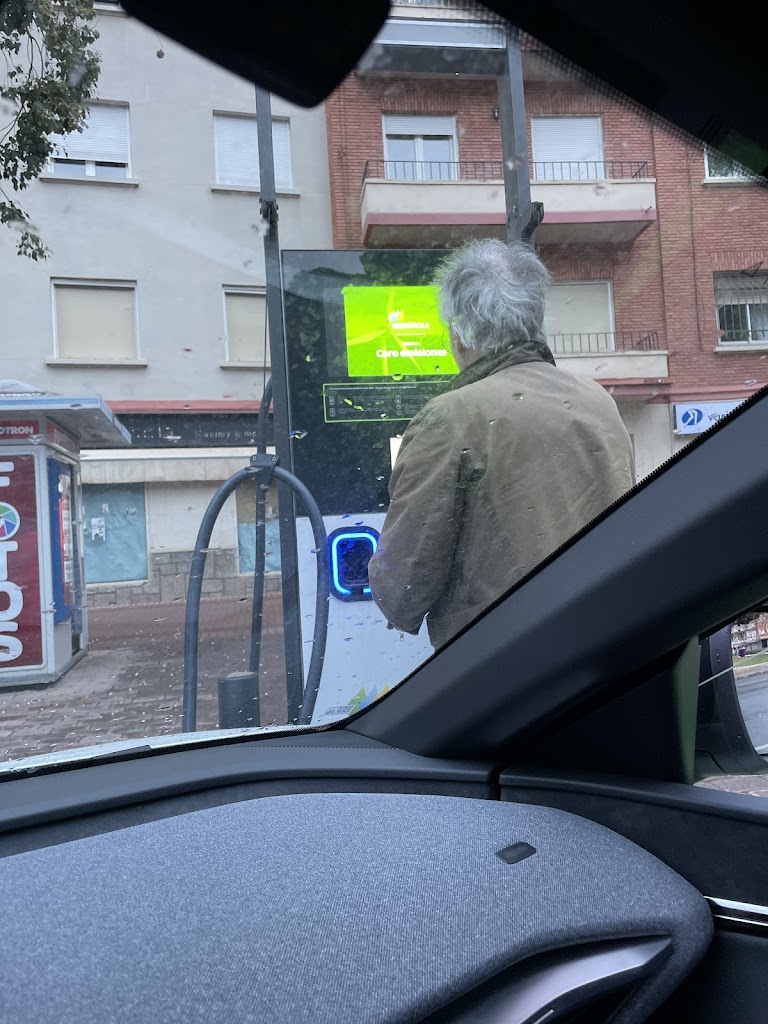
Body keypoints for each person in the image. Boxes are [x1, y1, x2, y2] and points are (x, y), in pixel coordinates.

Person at [367, 238, 635, 650]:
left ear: (459, 334)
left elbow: (402, 592)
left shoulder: (449, 419)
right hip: (610, 646)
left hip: (507, 669)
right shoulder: (596, 399)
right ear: (534, 320)